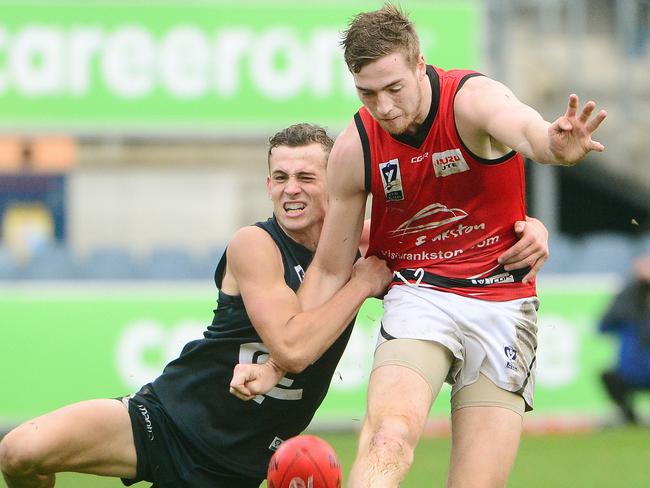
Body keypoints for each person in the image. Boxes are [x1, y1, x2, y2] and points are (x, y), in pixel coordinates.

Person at [233, 4, 606, 488]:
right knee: (389, 437)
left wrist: (557, 147)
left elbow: (529, 132)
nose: (384, 107)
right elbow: (328, 268)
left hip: (503, 303)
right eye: (368, 94)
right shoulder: (355, 147)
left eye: (394, 89)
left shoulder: (472, 100)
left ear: (419, 64)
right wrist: (277, 364)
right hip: (420, 295)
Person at [0, 123, 393, 488]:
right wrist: (361, 285)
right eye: (280, 177)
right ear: (268, 184)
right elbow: (292, 349)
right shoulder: (254, 244)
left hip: (240, 466)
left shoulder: (365, 247)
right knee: (18, 451)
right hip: (167, 420)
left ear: (335, 184)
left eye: (306, 177)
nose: (291, 189)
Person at [600, 254, 650, 425]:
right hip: (631, 370)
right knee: (608, 376)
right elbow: (604, 324)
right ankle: (630, 417)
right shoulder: (628, 299)